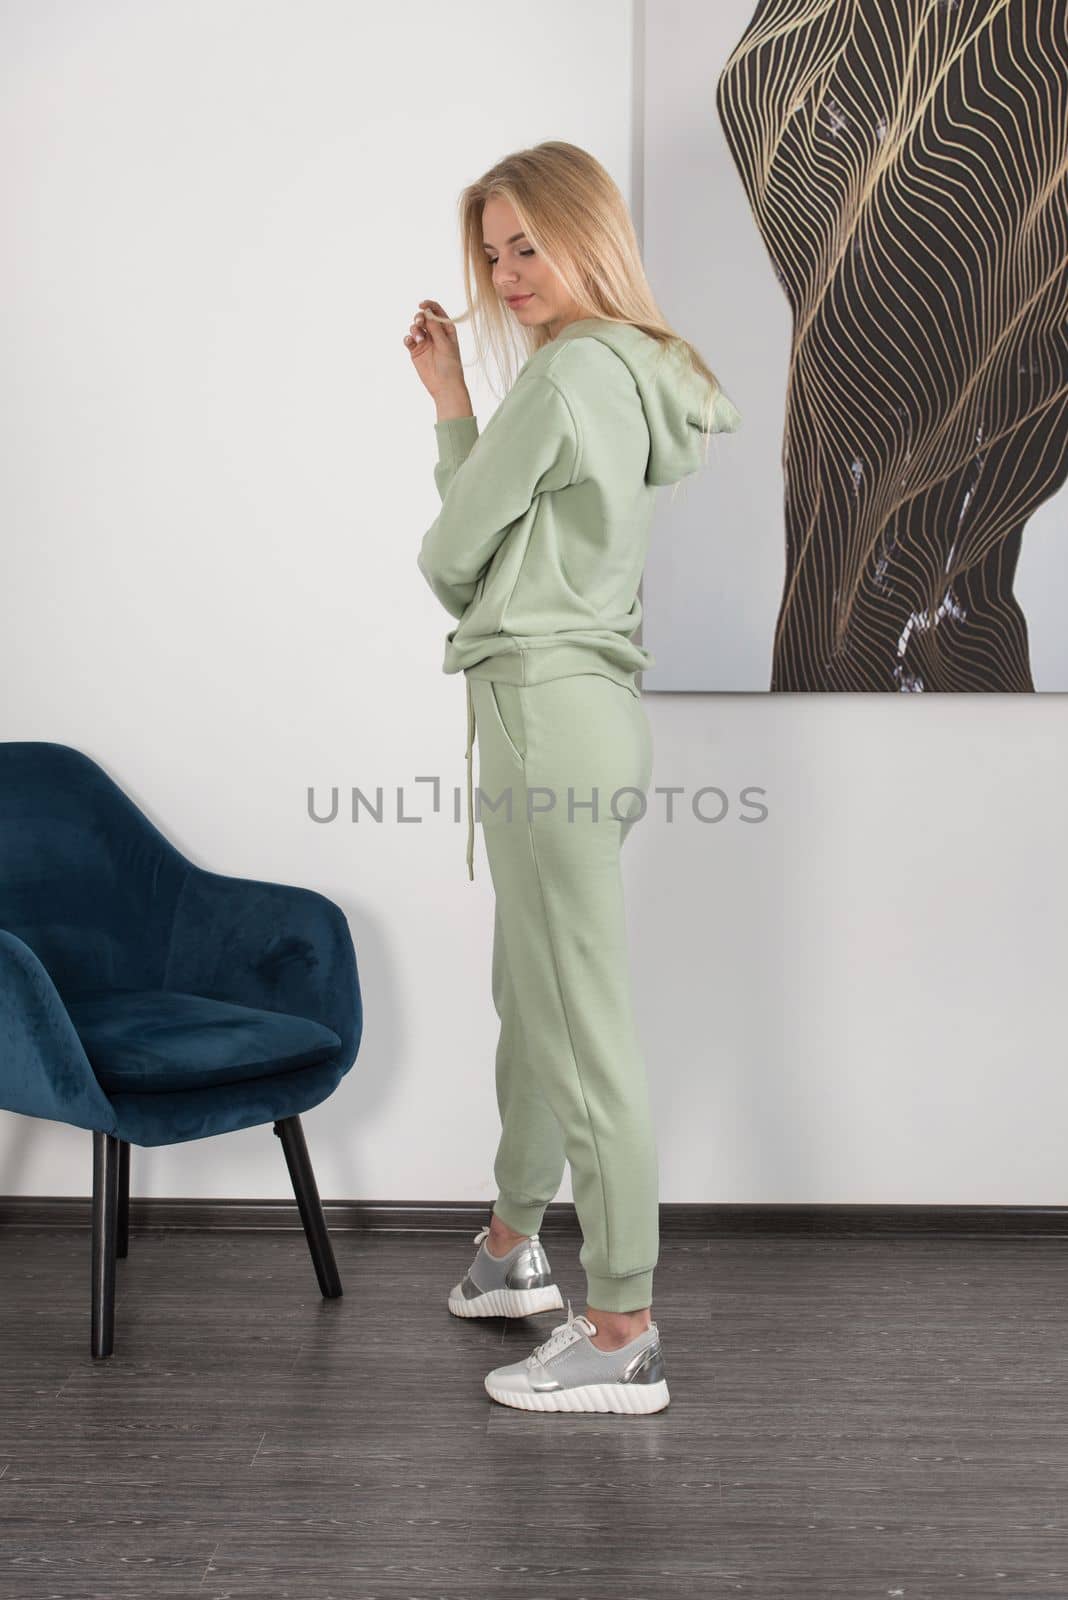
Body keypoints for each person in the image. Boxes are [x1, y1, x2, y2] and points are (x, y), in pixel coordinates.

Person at [405, 140, 741, 1414]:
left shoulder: (562, 380)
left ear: (584, 236)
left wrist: (449, 414)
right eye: (491, 252)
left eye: (527, 244)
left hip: (545, 708)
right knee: (533, 992)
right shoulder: (654, 372)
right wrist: (459, 391)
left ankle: (622, 1328)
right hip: (595, 708)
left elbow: (451, 554)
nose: (505, 272)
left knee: (580, 1023)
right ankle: (508, 1249)